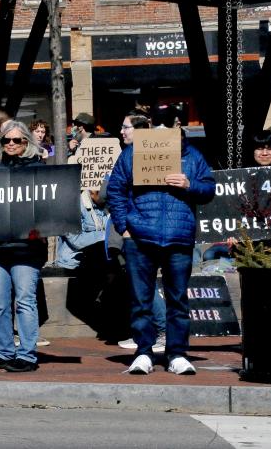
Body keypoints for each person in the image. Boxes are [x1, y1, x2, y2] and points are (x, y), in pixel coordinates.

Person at [107, 113, 215, 376]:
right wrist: (124, 227)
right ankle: (143, 351)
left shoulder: (193, 157)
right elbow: (115, 190)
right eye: (161, 128)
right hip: (140, 236)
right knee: (140, 299)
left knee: (177, 299)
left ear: (181, 130)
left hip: (178, 236)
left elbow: (209, 189)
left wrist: (190, 185)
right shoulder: (133, 153)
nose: (167, 132)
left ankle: (176, 354)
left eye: (173, 127)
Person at [0, 121, 47, 372]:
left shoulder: (39, 169)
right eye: (6, 140)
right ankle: (4, 351)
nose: (11, 145)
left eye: (17, 140)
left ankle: (27, 355)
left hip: (27, 248)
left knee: (25, 301)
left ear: (26, 142)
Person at [112, 109, 167, 353]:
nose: (122, 131)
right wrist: (123, 226)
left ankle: (162, 330)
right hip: (134, 229)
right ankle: (147, 334)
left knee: (144, 283)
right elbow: (115, 191)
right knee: (140, 283)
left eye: (126, 127)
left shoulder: (149, 155)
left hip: (146, 230)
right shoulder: (128, 155)